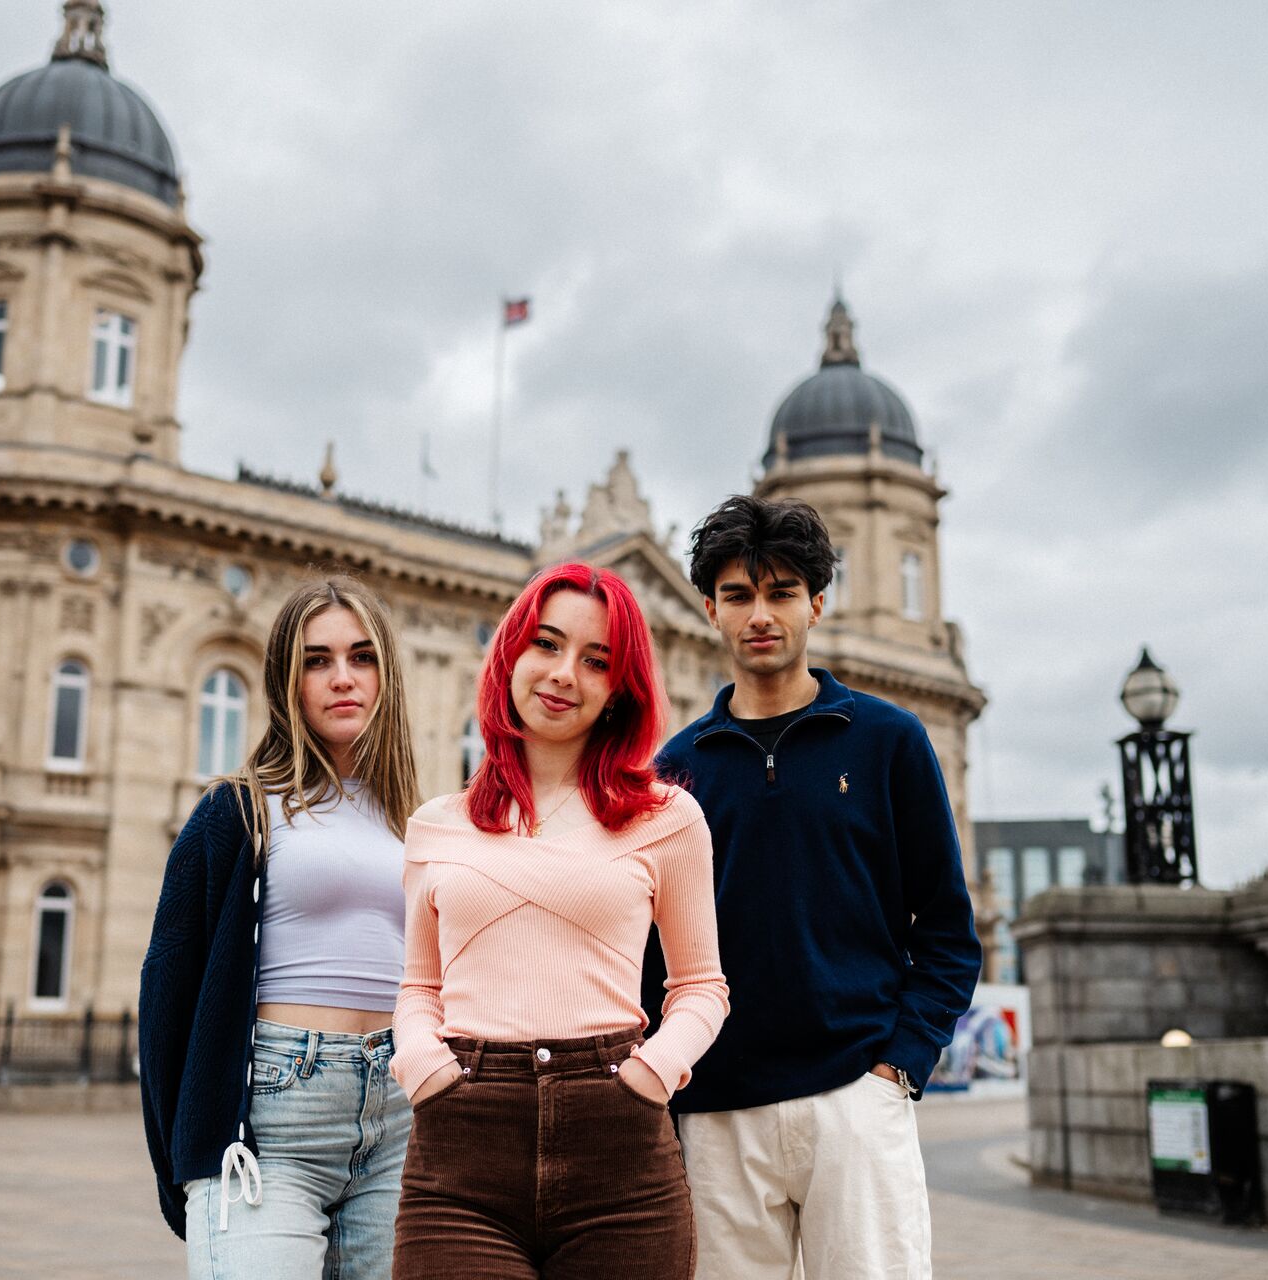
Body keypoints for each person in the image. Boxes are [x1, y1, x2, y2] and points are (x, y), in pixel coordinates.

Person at [642, 495, 982, 1280]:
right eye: (738, 595)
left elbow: (945, 929)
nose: (760, 614)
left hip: (857, 1099)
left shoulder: (889, 742)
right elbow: (655, 953)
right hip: (717, 1115)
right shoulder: (674, 773)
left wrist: (897, 1066)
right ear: (710, 610)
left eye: (782, 592)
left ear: (816, 603)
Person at [391, 562, 728, 1280]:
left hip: (619, 1146)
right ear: (511, 653)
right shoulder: (436, 827)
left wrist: (654, 1074)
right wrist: (423, 1067)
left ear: (618, 691)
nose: (564, 673)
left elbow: (702, 986)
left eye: (596, 660)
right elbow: (420, 988)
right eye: (546, 644)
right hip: (461, 1147)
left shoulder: (668, 820)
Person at [139, 575, 423, 1278]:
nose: (342, 678)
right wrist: (186, 1158)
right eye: (316, 661)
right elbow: (166, 995)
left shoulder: (414, 822)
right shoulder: (238, 812)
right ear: (285, 680)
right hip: (272, 1119)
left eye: (361, 657)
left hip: (398, 1116)